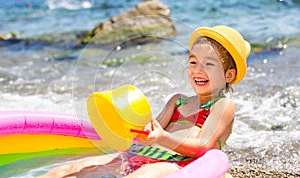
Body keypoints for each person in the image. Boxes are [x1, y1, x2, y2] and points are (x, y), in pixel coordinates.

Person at [37, 25, 250, 178]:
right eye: (193, 61)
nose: (197, 69)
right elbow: (149, 132)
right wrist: (128, 126)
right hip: (141, 155)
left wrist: (163, 136)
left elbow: (203, 146)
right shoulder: (176, 102)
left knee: (146, 174)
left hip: (178, 165)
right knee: (72, 170)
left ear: (229, 75)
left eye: (208, 64)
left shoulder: (222, 105)